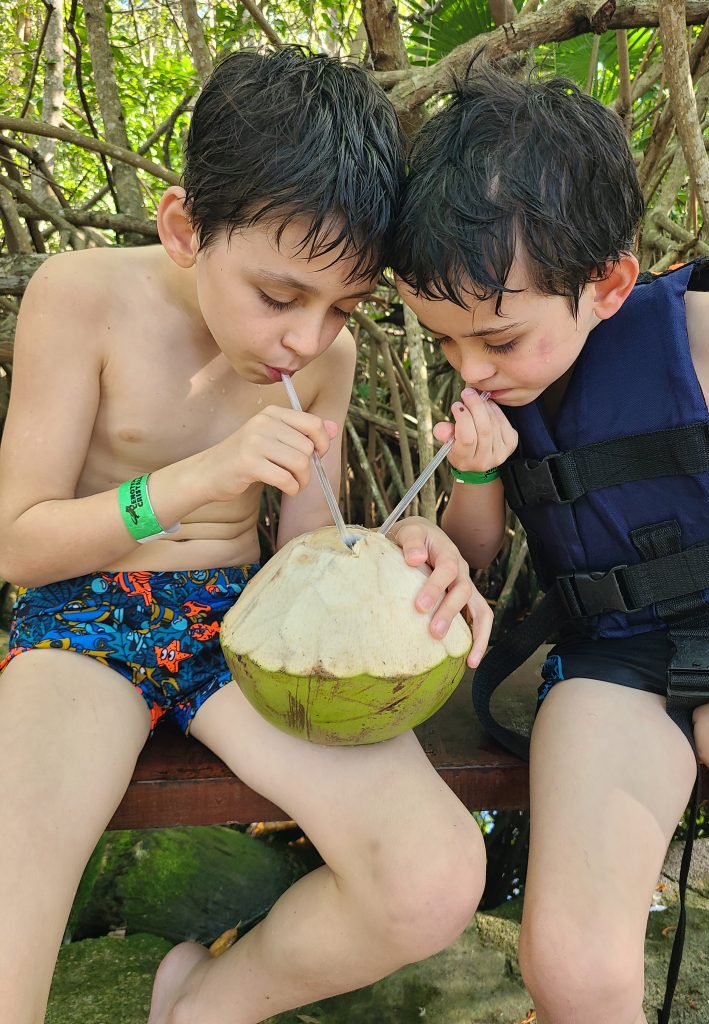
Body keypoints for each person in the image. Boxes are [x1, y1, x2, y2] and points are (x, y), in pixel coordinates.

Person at [0, 47, 492, 1024]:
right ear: (186, 227)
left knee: (432, 876)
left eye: (341, 308)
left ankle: (206, 1004)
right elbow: (18, 543)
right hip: (79, 622)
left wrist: (407, 565)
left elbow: (314, 552)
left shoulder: (327, 356)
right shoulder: (83, 298)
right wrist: (195, 480)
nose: (306, 340)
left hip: (243, 630)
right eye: (279, 297)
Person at [392, 63, 709, 1024]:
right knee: (569, 967)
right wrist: (475, 472)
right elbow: (475, 549)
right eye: (445, 344)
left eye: (499, 341)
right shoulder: (495, 388)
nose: (472, 368)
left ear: (606, 285)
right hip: (619, 663)